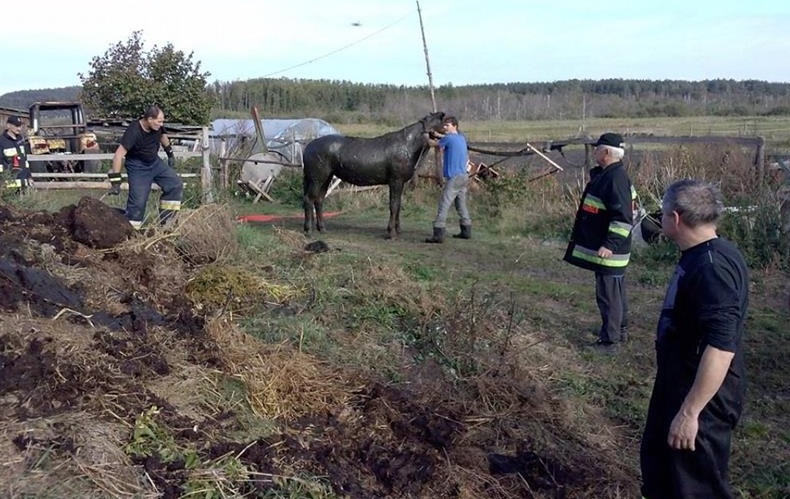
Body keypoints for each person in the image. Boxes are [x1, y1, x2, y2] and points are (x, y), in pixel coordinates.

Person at [640, 179, 749, 498]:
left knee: (695, 485)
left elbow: (721, 347)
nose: (659, 219)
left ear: (675, 218)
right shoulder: (709, 253)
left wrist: (690, 413)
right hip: (680, 384)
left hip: (703, 397)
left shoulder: (712, 269)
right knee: (664, 473)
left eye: (662, 213)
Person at [564, 132, 637, 351]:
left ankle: (609, 341)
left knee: (608, 297)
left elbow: (623, 218)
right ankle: (619, 330)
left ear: (606, 152)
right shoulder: (610, 175)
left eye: (597, 149)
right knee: (615, 293)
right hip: (611, 249)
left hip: (611, 251)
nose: (594, 151)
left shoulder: (615, 179)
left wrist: (609, 245)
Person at [107, 106, 183, 229]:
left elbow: (162, 136)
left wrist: (170, 154)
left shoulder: (157, 126)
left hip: (155, 162)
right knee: (138, 204)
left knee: (175, 184)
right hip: (138, 167)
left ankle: (167, 224)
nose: (161, 124)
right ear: (149, 119)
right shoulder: (134, 131)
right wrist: (116, 182)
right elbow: (118, 155)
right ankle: (130, 232)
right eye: (159, 121)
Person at [425, 115, 472, 243]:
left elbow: (434, 144)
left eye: (447, 125)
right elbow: (445, 139)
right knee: (461, 204)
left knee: (444, 204)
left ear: (454, 126)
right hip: (463, 176)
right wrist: (437, 134)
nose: (445, 127)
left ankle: (438, 233)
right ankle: (466, 230)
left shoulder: (449, 139)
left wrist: (426, 136)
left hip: (454, 177)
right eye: (444, 125)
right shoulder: (461, 138)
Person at [0, 115, 33, 195]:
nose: (19, 128)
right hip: (8, 186)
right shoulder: (1, 141)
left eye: (20, 126)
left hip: (23, 184)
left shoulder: (21, 140)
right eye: (16, 126)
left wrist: (29, 176)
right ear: (8, 126)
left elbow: (24, 161)